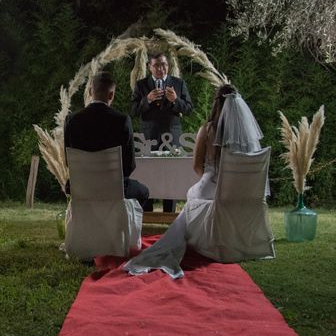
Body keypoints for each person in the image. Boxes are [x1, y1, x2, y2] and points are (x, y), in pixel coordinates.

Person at [123, 84, 265, 279]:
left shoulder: (207, 131)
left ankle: (194, 240)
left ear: (216, 104)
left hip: (212, 189)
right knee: (195, 194)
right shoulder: (248, 138)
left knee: (192, 193)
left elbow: (197, 167)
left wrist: (211, 178)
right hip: (243, 194)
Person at [64, 71, 149, 208]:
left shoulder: (72, 120)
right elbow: (129, 165)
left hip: (83, 186)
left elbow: (69, 161)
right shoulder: (122, 120)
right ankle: (122, 224)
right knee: (143, 192)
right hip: (113, 187)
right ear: (111, 94)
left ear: (91, 92)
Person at [131, 52, 194, 212]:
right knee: (148, 175)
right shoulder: (141, 85)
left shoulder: (178, 83)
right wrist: (148, 100)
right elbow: (133, 110)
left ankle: (169, 215)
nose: (161, 68)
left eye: (164, 64)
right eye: (157, 65)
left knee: (171, 176)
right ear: (149, 67)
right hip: (149, 137)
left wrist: (176, 101)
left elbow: (189, 109)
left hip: (172, 137)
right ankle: (147, 213)